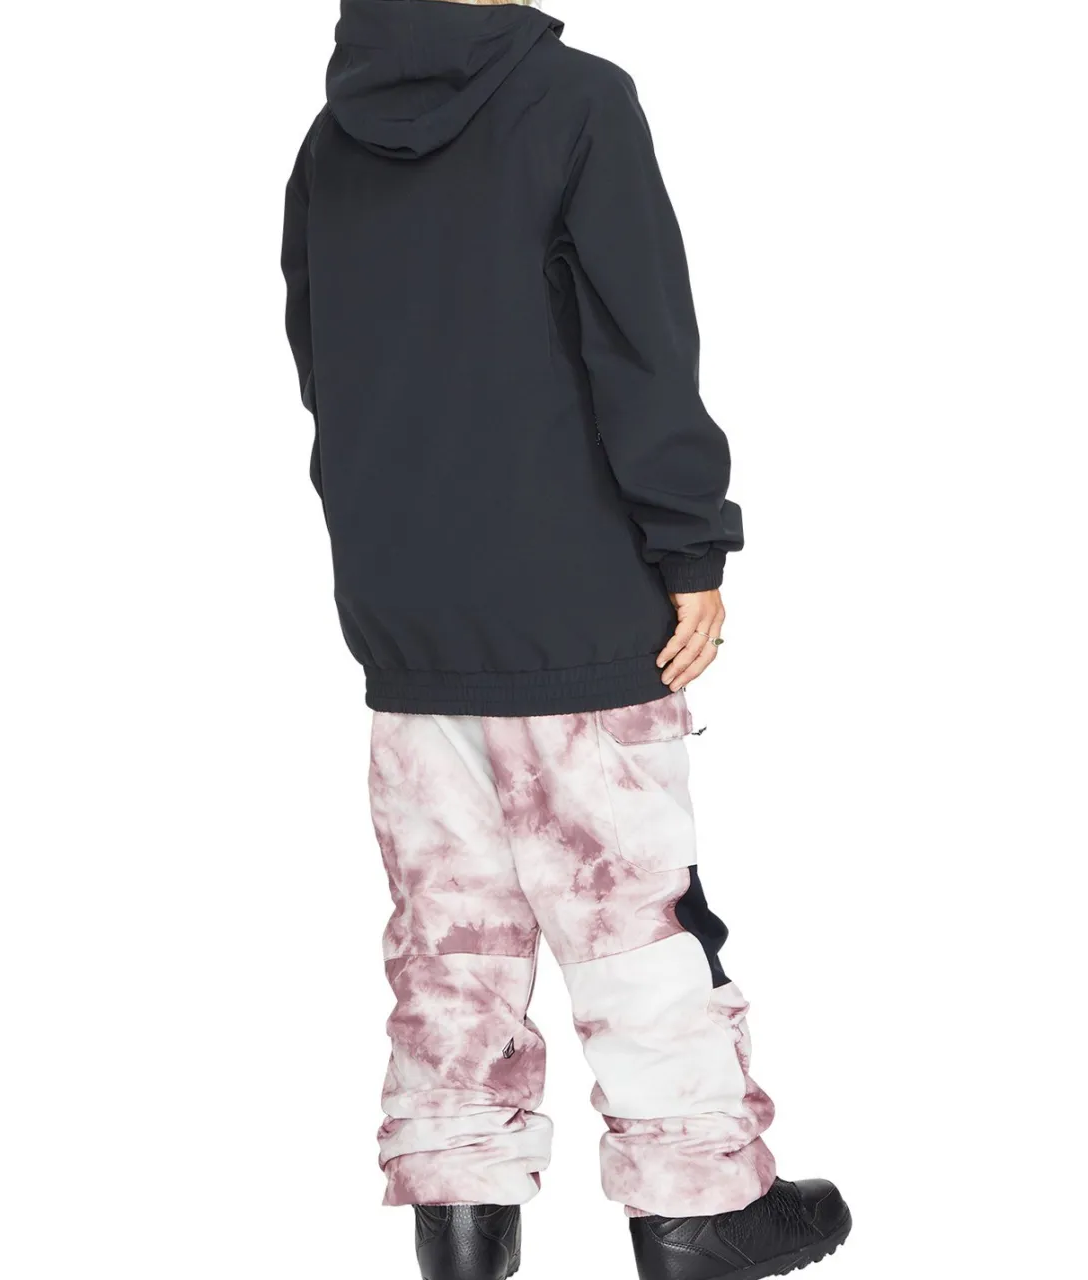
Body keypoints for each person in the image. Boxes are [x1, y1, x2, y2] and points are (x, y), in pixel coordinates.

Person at [281, 3, 850, 1277]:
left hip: (406, 607)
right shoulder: (577, 101)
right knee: (626, 910)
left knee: (450, 930)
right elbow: (639, 341)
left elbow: (324, 364)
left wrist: (386, 552)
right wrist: (689, 543)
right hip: (571, 595)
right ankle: (697, 1206)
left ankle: (461, 1221)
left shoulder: (333, 133)